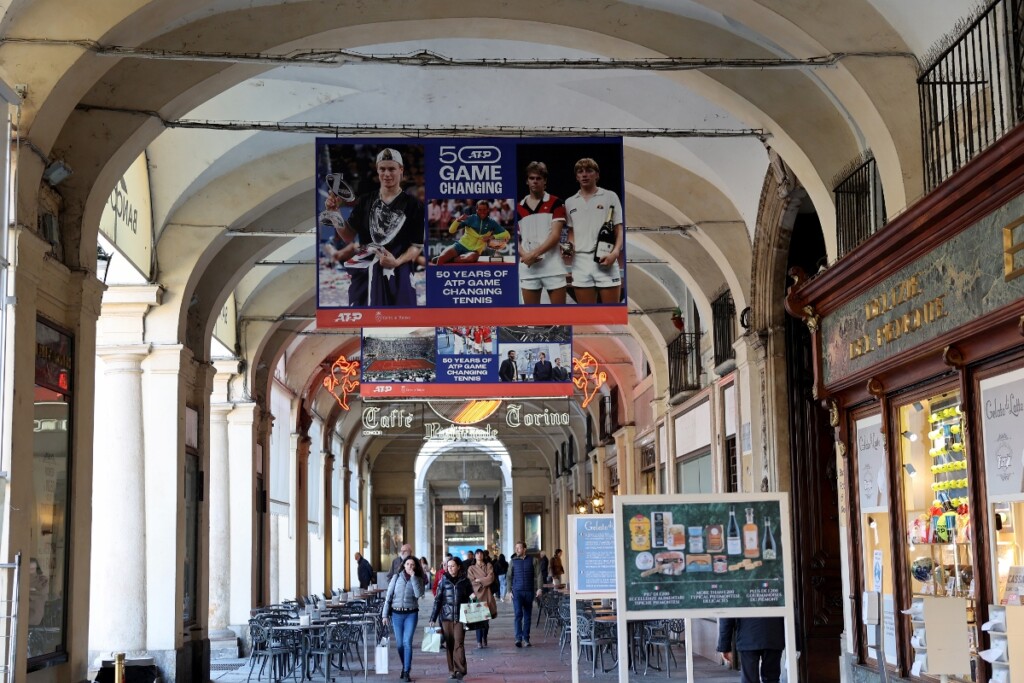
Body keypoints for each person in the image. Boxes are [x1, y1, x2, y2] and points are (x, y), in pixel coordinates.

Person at [324, 147, 424, 307]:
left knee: (401, 319)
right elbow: (347, 236)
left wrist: (397, 262)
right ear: (377, 171)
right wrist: (335, 213)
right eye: (382, 169)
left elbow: (417, 245)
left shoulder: (414, 205)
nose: (387, 174)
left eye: (391, 169)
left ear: (401, 170)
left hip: (399, 274)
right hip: (365, 272)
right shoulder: (364, 202)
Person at [564, 157, 623, 304]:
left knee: (611, 317)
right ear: (577, 177)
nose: (584, 174)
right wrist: (569, 247)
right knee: (588, 317)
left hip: (606, 260)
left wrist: (615, 253)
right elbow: (571, 232)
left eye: (589, 171)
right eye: (580, 171)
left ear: (597, 175)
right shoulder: (570, 202)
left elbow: (619, 229)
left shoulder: (610, 196)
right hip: (580, 263)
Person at [516, 161, 568, 304]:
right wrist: (525, 255)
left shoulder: (556, 202)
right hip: (528, 268)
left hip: (553, 268)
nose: (535, 181)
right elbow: (515, 238)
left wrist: (533, 254)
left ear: (545, 181)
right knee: (534, 320)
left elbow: (555, 235)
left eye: (539, 178)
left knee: (559, 319)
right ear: (527, 181)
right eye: (532, 178)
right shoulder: (518, 208)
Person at [382, 556, 426, 682]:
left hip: (411, 614)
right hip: (396, 614)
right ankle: (404, 666)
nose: (410, 567)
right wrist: (384, 615)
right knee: (400, 644)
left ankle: (406, 671)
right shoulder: (396, 578)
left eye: (412, 565)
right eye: (407, 564)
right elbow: (388, 596)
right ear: (403, 565)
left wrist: (413, 578)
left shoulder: (418, 579)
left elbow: (419, 594)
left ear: (416, 567)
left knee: (407, 642)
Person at [430, 557, 472, 681]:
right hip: (446, 617)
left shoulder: (465, 581)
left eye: (453, 566)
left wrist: (475, 599)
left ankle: (461, 670)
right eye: (448, 566)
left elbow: (471, 596)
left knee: (459, 643)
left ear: (458, 566)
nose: (450, 568)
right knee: (450, 644)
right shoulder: (443, 581)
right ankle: (452, 670)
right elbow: (438, 600)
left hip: (460, 617)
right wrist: (433, 617)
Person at [433, 199, 510, 265]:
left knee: (470, 258)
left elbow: (506, 234)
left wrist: (491, 237)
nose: (482, 212)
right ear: (476, 210)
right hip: (460, 245)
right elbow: (451, 231)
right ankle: (445, 258)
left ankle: (450, 259)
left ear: (488, 210)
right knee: (441, 259)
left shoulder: (492, 222)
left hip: (475, 251)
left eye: (484, 210)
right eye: (480, 209)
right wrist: (457, 220)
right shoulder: (470, 218)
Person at [717, 617, 785, 683]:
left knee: (749, 679)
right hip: (774, 633)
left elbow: (726, 617)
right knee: (772, 678)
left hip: (747, 636)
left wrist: (724, 647)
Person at [506, 541, 542, 647]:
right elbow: (508, 576)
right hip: (517, 592)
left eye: (519, 548)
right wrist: (509, 591)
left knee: (527, 616)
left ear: (525, 549)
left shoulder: (533, 560)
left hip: (529, 591)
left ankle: (526, 638)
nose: (517, 550)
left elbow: (539, 574)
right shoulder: (513, 561)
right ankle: (518, 638)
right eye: (516, 548)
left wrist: (539, 588)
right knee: (518, 615)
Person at [467, 549, 496, 649]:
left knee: (486, 621)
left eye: (481, 553)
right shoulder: (471, 568)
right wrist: (483, 581)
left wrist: (479, 580)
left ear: (483, 555)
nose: (479, 555)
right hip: (477, 595)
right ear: (474, 556)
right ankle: (479, 641)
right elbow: (471, 581)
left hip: (487, 595)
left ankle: (484, 637)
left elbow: (491, 578)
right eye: (477, 553)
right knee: (478, 619)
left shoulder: (488, 566)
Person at [28, 557, 48, 626]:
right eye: (29, 568)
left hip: (35, 610)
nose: (31, 571)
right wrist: (31, 589)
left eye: (33, 569)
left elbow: (42, 592)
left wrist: (27, 592)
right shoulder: (20, 578)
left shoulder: (42, 579)